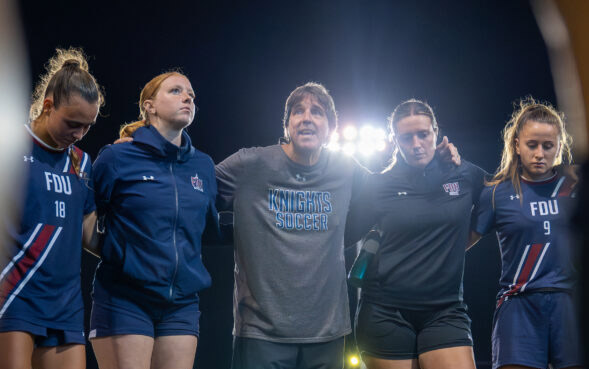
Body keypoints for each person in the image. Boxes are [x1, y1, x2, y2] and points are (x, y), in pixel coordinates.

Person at [216, 86, 461, 369]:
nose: (307, 118)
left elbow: (393, 191)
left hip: (327, 334)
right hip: (261, 334)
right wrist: (233, 232)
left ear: (331, 129)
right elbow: (191, 195)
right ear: (286, 124)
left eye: (317, 112)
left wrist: (437, 163)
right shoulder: (251, 163)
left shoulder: (346, 168)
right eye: (298, 111)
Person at [89, 71, 217, 369]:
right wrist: (122, 256)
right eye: (175, 91)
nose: (188, 97)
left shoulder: (203, 166)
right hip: (125, 298)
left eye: (191, 94)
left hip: (181, 303)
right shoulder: (117, 157)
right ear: (149, 106)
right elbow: (86, 218)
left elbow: (207, 231)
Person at [346, 99, 485, 369]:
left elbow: (504, 197)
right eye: (407, 137)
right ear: (394, 140)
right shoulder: (378, 186)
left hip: (445, 311)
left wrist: (456, 245)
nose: (417, 143)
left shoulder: (464, 174)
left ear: (436, 132)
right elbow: (342, 236)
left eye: (424, 134)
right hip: (385, 312)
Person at [0, 47, 103, 369]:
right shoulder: (9, 147)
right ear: (47, 106)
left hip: (65, 303)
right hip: (15, 292)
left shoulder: (83, 163)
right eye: (73, 123)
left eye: (87, 127)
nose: (79, 134)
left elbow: (88, 232)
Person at [470, 99, 583, 369]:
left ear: (559, 145)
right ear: (516, 144)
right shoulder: (496, 192)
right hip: (518, 306)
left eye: (548, 146)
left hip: (570, 305)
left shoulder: (576, 186)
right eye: (532, 145)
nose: (540, 154)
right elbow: (456, 245)